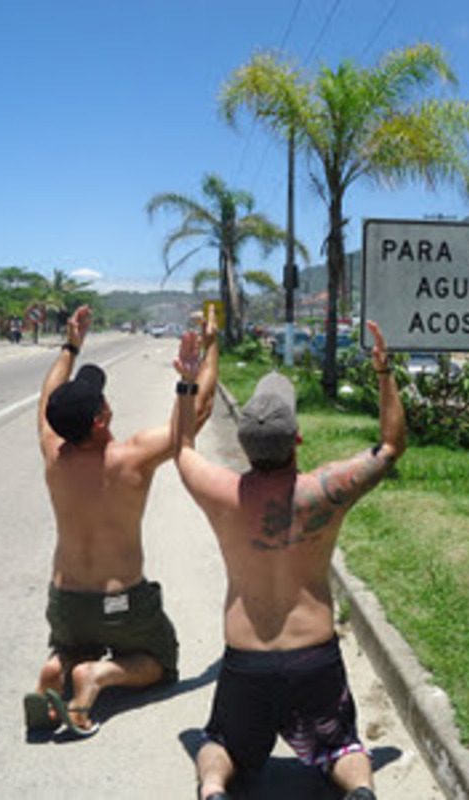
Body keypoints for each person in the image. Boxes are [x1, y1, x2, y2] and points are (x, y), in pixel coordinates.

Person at [172, 321, 405, 800]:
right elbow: (391, 445)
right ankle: (359, 791)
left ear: (243, 445)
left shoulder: (221, 493)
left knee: (217, 742)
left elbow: (181, 448)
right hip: (313, 655)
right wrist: (383, 371)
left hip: (245, 658)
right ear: (296, 439)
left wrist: (187, 383)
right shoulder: (324, 492)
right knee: (342, 747)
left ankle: (214, 789)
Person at [23, 304, 218, 737]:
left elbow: (45, 402)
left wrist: (71, 346)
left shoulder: (54, 451)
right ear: (101, 418)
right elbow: (197, 414)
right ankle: (96, 678)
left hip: (66, 604)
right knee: (160, 662)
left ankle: (60, 665)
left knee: (75, 641)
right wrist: (208, 352)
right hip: (121, 604)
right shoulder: (132, 458)